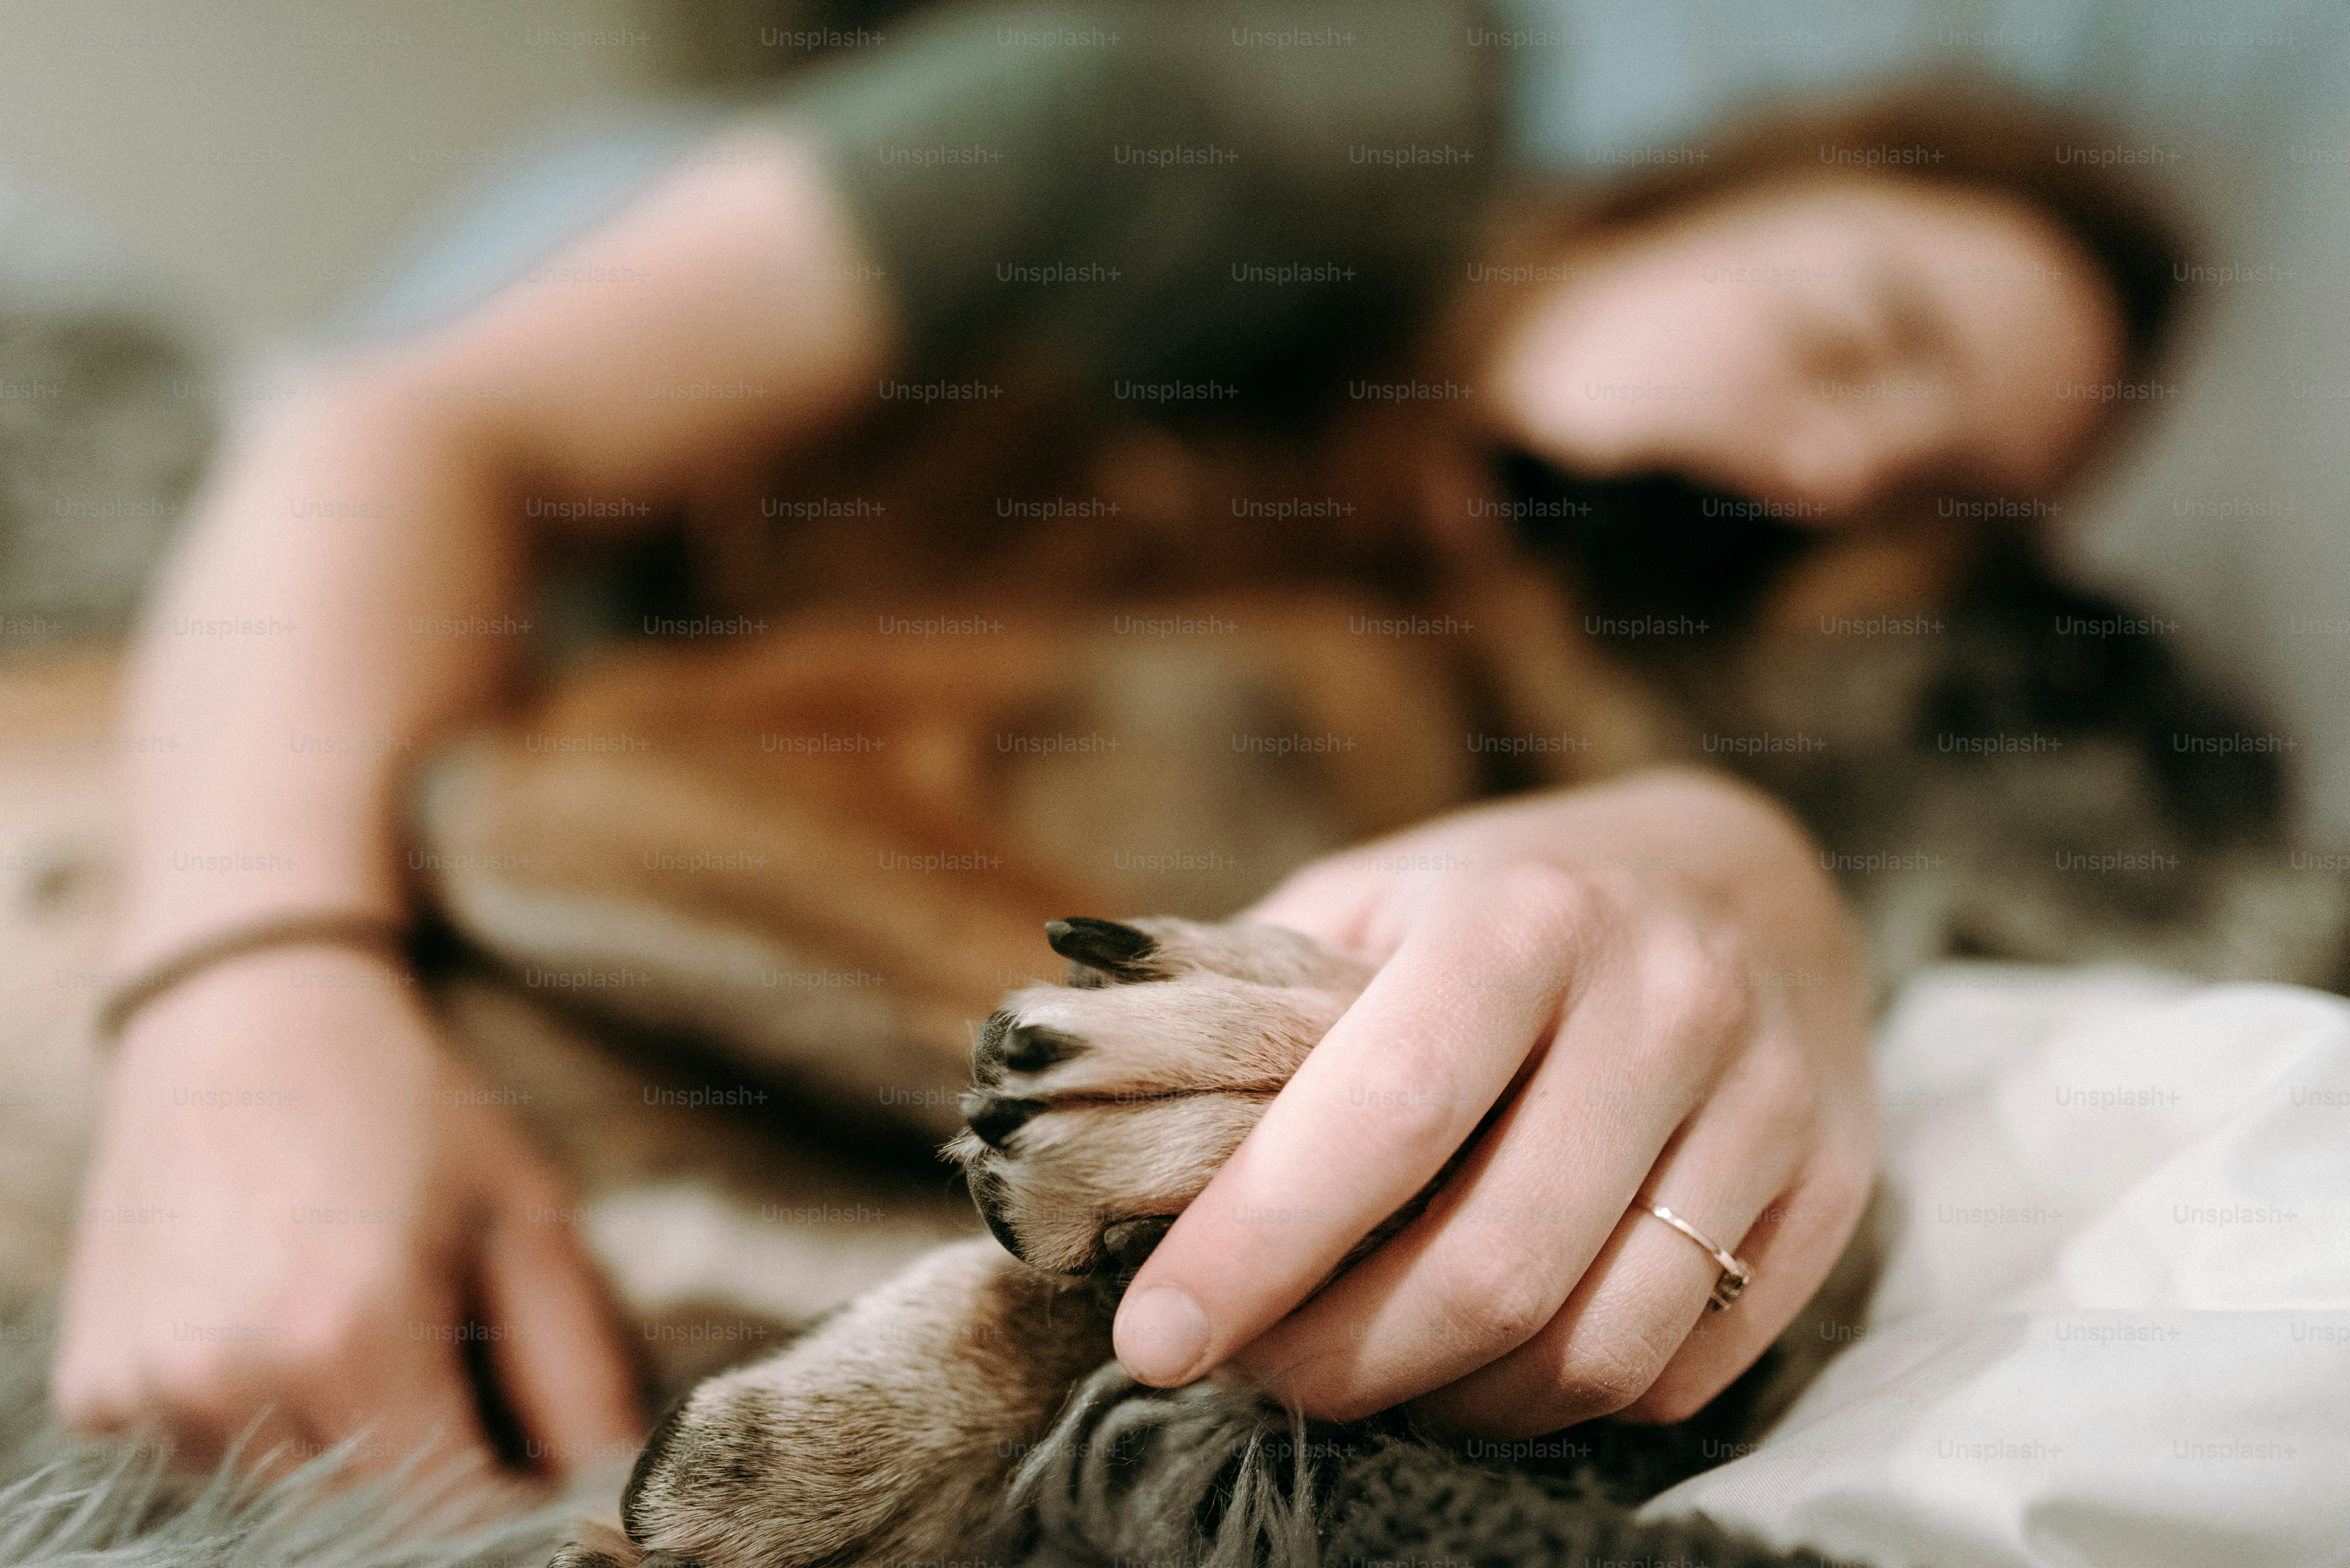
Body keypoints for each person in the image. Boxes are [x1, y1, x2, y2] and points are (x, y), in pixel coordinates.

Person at [52, 2, 2173, 1479]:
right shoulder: (1166, 159)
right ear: (1641, 207)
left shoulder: (1514, 673)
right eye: (1859, 333)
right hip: (249, 767)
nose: (1829, 473)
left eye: (1941, 497)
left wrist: (1739, 874)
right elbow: (414, 424)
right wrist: (245, 1002)